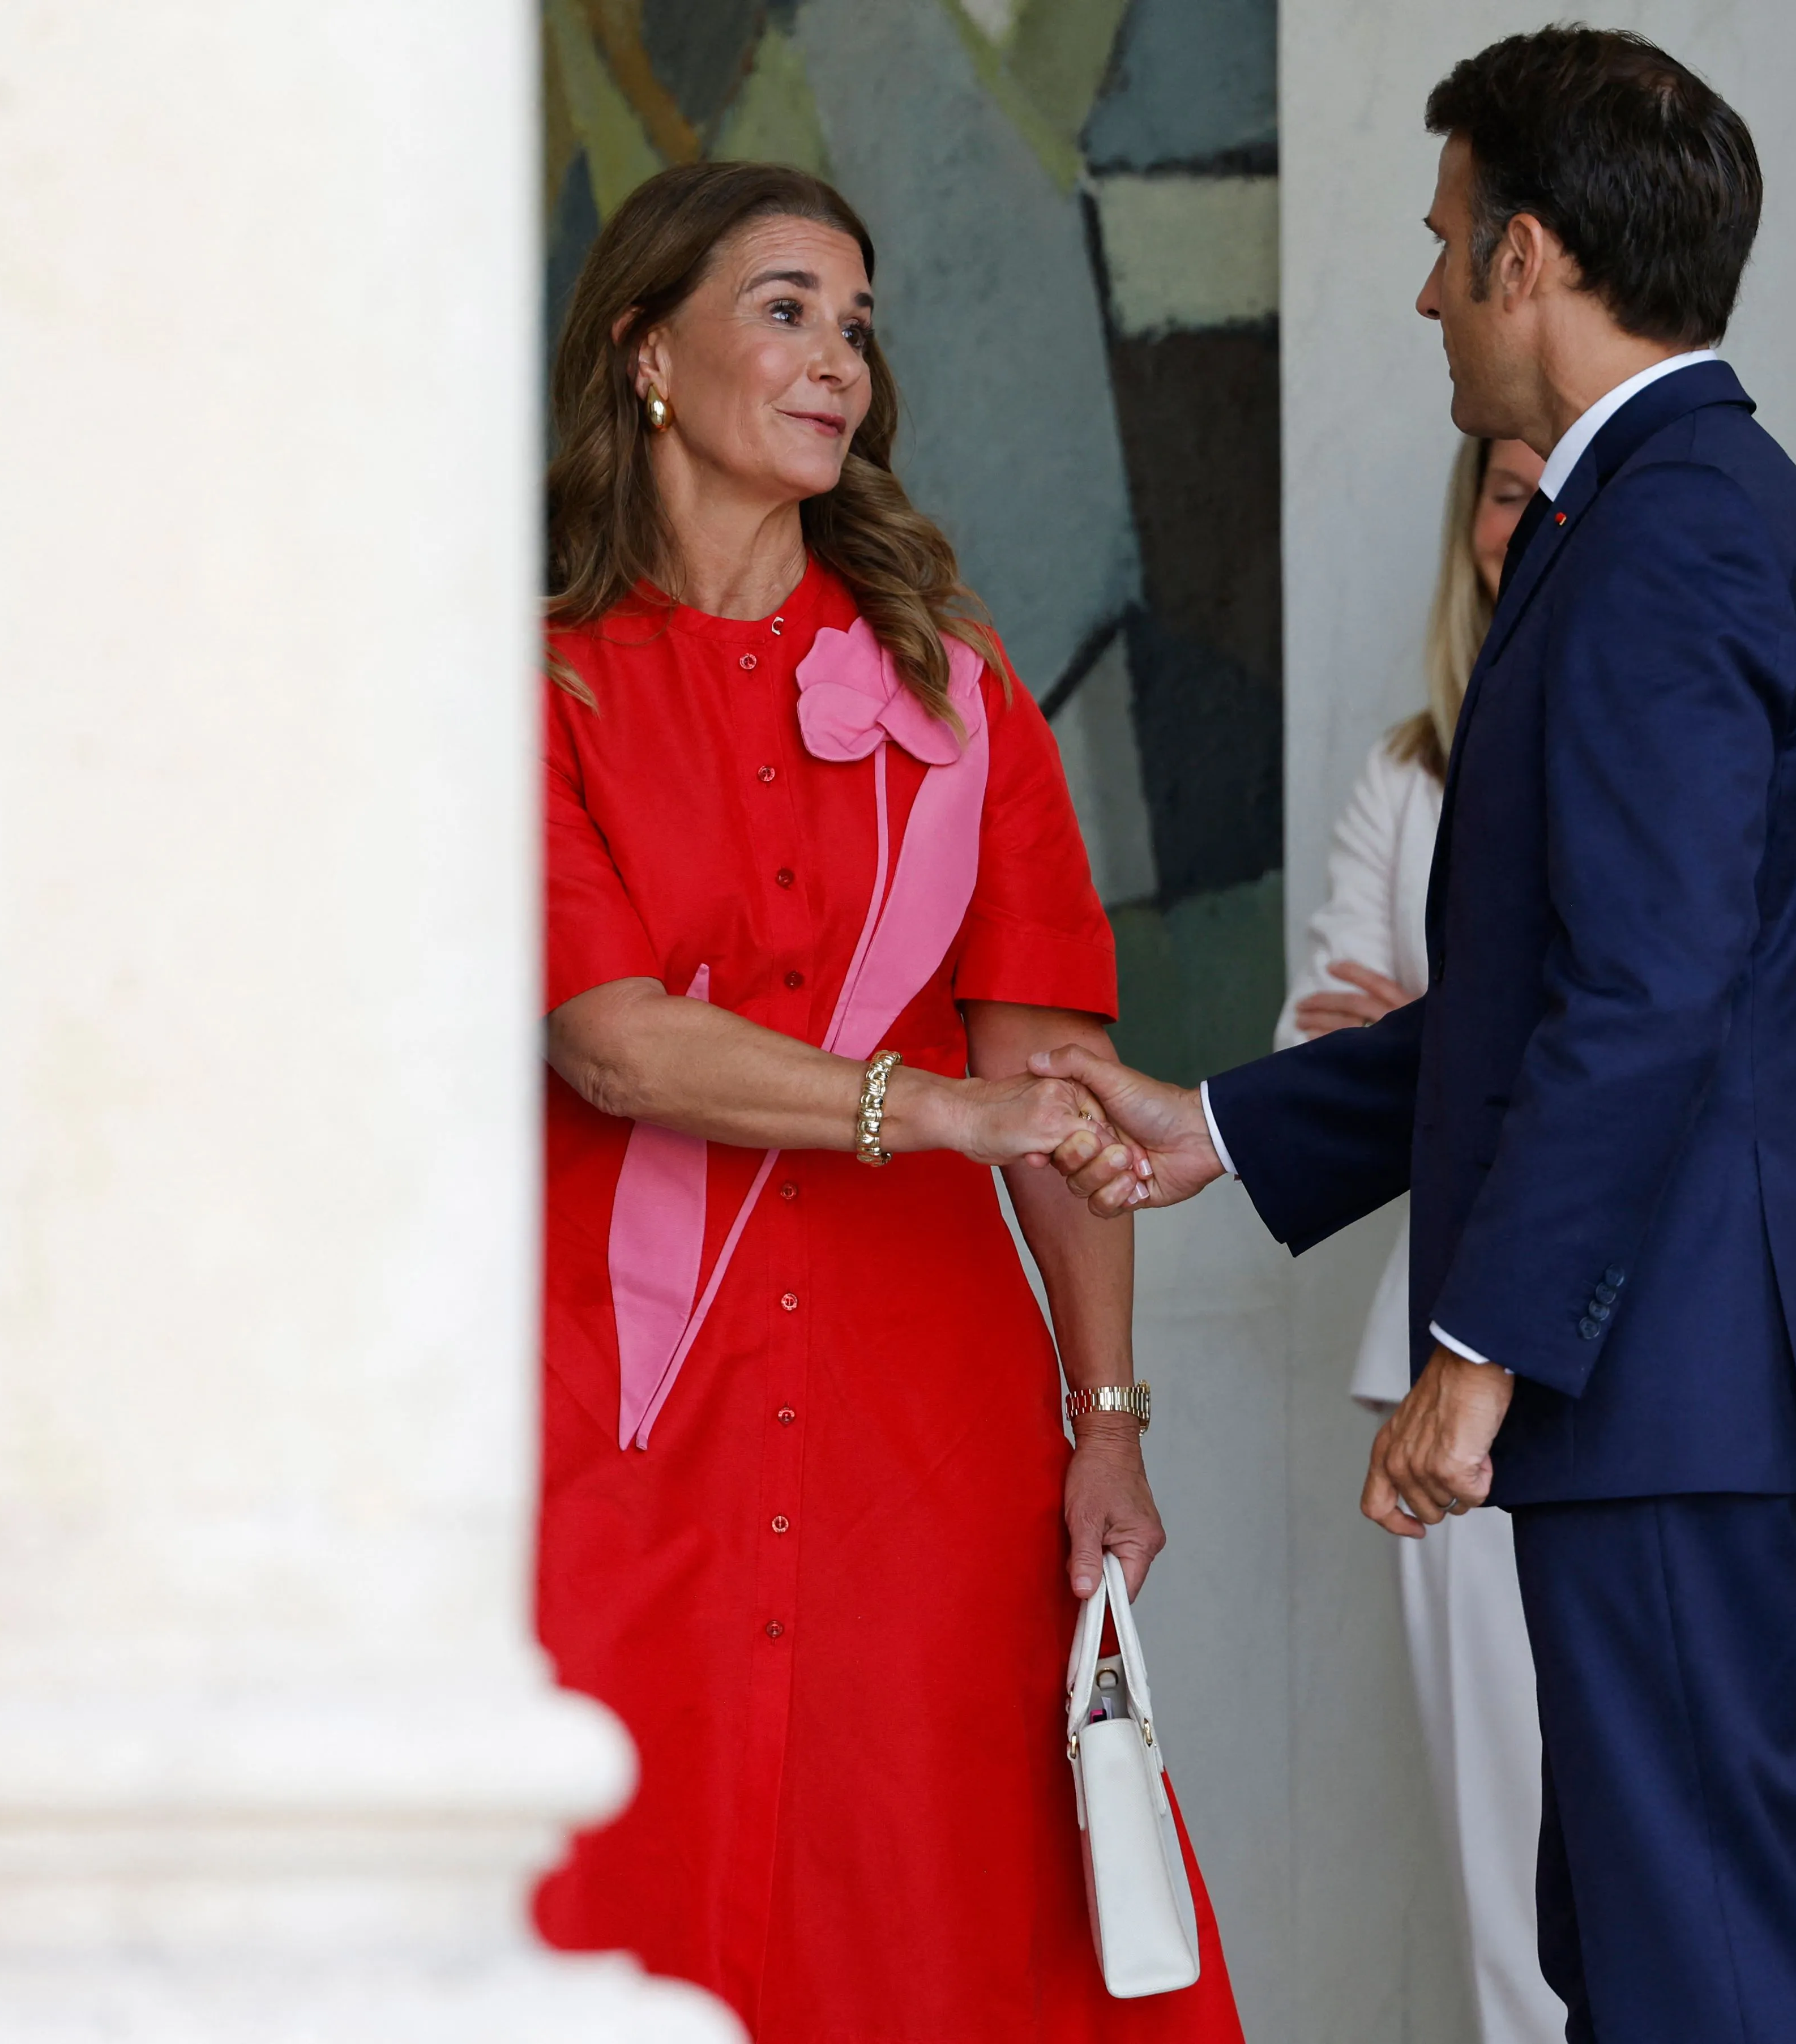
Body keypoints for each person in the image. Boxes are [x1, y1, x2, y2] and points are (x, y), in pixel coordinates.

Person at [1040, 29, 1796, 2042]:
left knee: (1690, 1970)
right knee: (1632, 1951)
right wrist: (1219, 1126)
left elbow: (1646, 992)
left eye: (1442, 243)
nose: (1421, 291)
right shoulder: (1680, 508)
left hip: (1677, 1374)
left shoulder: (1665, 529)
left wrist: (1478, 1348)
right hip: (1697, 1371)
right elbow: (1555, 986)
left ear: (1529, 256)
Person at [529, 161, 1247, 2042]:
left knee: (915, 1893)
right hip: (616, 1396)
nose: (836, 355)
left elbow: (1053, 1093)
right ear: (646, 354)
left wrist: (1104, 1424)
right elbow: (610, 1039)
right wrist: (928, 1114)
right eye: (782, 307)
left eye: (857, 322)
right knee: (605, 1866)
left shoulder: (963, 703)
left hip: (915, 1425)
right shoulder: (536, 693)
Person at [1281, 433, 1565, 2044]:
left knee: (1661, 1850)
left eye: (1551, 489)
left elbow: (1639, 1027)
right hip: (1433, 1354)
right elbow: (1317, 1035)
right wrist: (1453, 1051)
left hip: (1635, 1353)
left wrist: (1437, 1039)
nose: (1524, 522)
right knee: (1498, 1851)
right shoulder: (1411, 776)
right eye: (1502, 491)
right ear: (1468, 528)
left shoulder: (1656, 724)